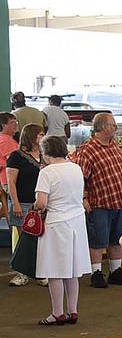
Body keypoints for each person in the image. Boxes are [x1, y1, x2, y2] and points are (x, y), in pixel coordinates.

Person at [72, 112, 122, 288]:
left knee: (118, 238)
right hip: (99, 202)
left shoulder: (114, 146)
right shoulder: (87, 150)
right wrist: (84, 198)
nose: (116, 128)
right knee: (98, 240)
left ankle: (116, 271)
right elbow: (80, 177)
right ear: (104, 128)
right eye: (114, 125)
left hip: (119, 201)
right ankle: (96, 273)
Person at [32, 136, 89, 325]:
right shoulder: (75, 168)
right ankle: (73, 310)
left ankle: (57, 312)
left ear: (46, 152)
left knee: (54, 269)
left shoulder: (47, 173)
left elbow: (41, 203)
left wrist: (35, 207)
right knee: (72, 270)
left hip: (56, 223)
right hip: (77, 221)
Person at [6, 123, 44, 286]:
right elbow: (11, 181)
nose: (43, 137)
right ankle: (22, 273)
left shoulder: (45, 155)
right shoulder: (16, 156)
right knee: (24, 240)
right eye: (40, 134)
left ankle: (41, 272)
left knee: (41, 239)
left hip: (40, 203)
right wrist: (15, 203)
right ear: (31, 136)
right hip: (22, 201)